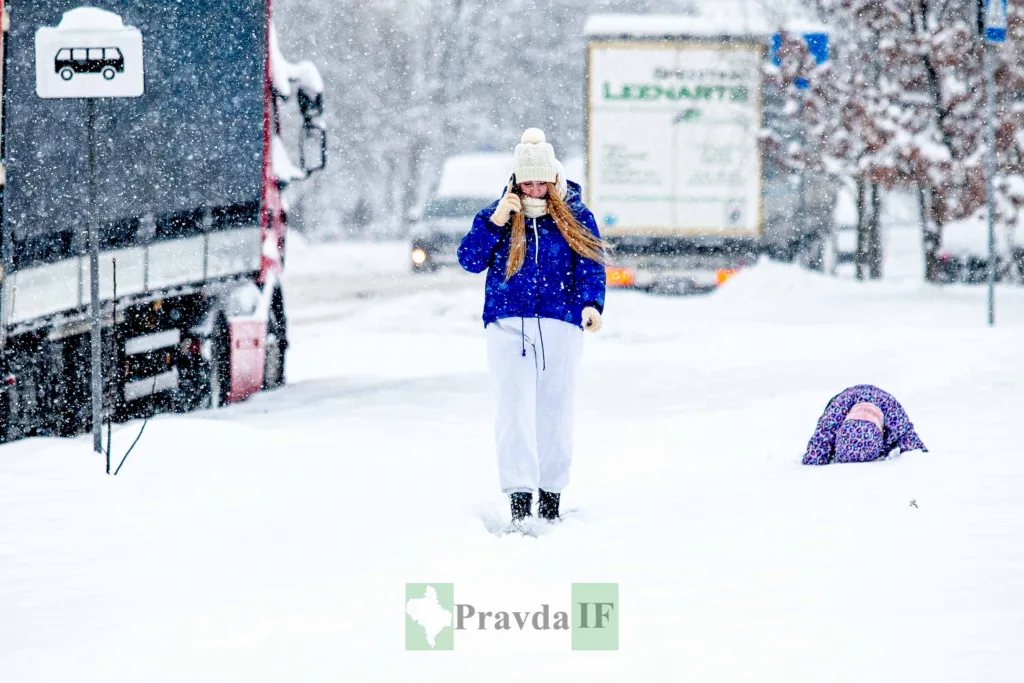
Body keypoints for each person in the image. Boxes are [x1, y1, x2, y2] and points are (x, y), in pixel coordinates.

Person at [458, 128, 608, 523]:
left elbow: (591, 263)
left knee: (555, 411)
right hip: (507, 325)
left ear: (554, 178)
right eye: (528, 181)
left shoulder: (576, 216)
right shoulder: (499, 215)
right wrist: (494, 222)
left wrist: (591, 305)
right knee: (513, 411)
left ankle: (551, 494)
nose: (536, 188)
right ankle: (519, 497)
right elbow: (470, 260)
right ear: (515, 179)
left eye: (542, 181)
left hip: (561, 323)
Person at [802, 384, 928, 465]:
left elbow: (909, 439)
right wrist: (814, 461)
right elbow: (822, 438)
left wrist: (919, 460)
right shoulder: (835, 414)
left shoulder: (894, 416)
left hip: (881, 400)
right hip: (848, 397)